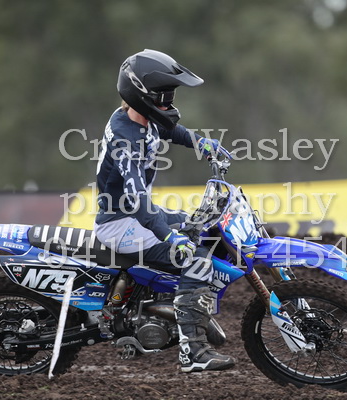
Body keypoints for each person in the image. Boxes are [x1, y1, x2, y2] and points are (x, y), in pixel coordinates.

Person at [93, 49, 235, 372]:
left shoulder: (139, 118)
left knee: (203, 229)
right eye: (164, 96)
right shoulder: (125, 140)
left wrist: (202, 143)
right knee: (194, 257)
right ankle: (192, 352)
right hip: (120, 222)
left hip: (133, 214)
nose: (169, 103)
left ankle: (191, 311)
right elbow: (138, 201)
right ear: (142, 95)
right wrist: (169, 237)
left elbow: (169, 130)